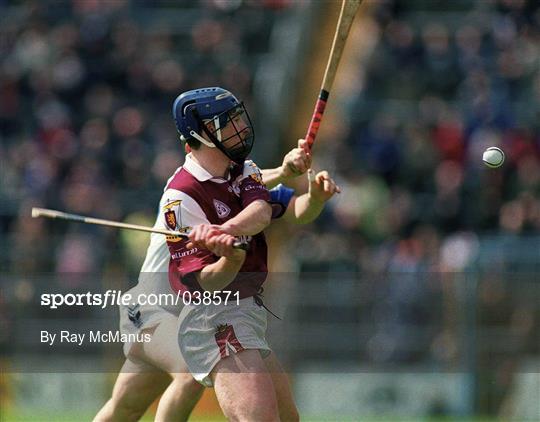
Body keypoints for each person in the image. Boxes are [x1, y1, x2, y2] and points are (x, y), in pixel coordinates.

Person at [94, 130, 339, 421]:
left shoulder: (240, 190)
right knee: (189, 371)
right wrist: (283, 172)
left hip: (187, 315)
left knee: (125, 408)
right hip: (151, 310)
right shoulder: (187, 193)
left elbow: (291, 208)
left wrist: (311, 195)